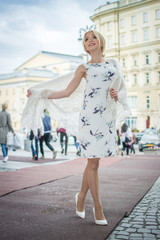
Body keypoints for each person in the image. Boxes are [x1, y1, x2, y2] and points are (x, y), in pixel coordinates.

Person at [27, 30, 131, 225]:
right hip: (89, 119)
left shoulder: (114, 64)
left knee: (94, 163)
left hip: (106, 118)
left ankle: (81, 197)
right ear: (84, 46)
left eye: (93, 37)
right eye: (86, 39)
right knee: (93, 163)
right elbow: (67, 91)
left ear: (101, 41)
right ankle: (98, 207)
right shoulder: (83, 67)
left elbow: (121, 88)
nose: (90, 40)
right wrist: (39, 94)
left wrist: (117, 95)